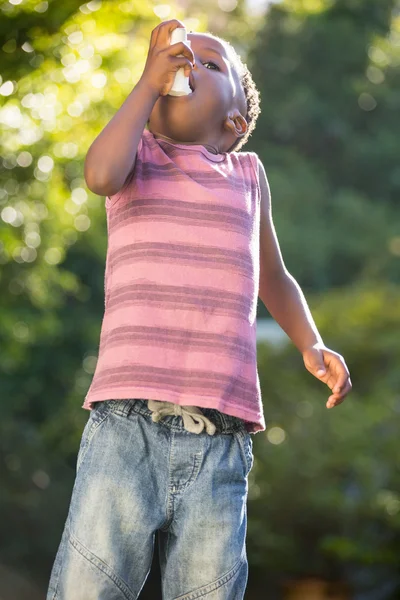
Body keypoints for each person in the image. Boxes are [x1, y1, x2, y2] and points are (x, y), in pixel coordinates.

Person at [46, 18, 352, 600]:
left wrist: (311, 343)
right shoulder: (135, 155)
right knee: (89, 587)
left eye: (209, 65)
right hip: (126, 423)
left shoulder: (248, 176)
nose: (188, 64)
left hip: (221, 437)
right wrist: (146, 83)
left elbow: (277, 278)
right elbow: (97, 174)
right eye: (181, 60)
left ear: (234, 120)